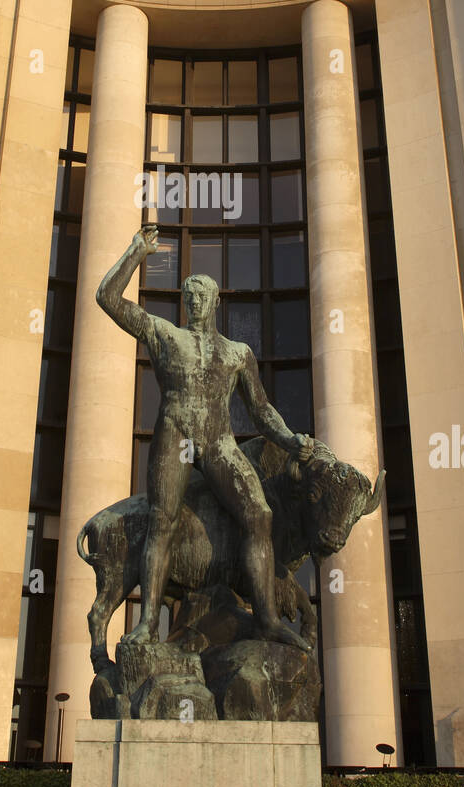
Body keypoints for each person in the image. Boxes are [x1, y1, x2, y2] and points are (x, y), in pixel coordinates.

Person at [96, 225, 314, 652]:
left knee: (259, 515)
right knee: (161, 520)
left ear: (215, 303)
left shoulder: (237, 353)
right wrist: (135, 252)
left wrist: (291, 440)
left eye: (202, 296)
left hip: (217, 441)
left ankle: (267, 619)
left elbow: (262, 410)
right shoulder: (166, 336)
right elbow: (107, 298)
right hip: (174, 432)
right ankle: (146, 625)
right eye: (188, 296)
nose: (194, 302)